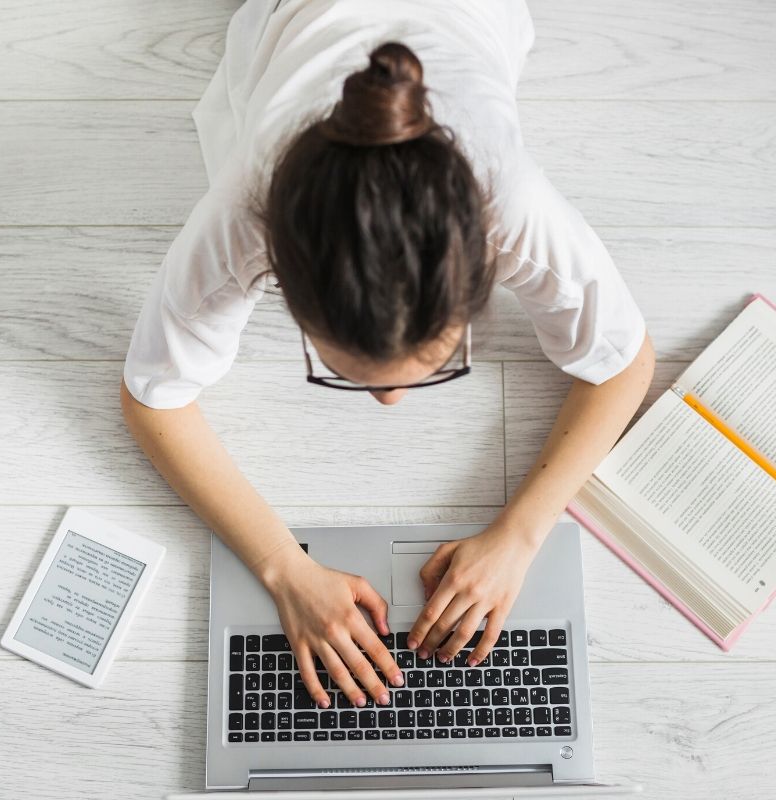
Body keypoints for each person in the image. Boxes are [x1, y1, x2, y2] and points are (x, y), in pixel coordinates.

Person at [120, 0, 655, 713]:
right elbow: (149, 399)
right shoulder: (239, 221)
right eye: (353, 376)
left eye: (430, 367)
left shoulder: (515, 209)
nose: (392, 402)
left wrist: (521, 537)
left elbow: (628, 364)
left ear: (486, 270)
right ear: (274, 268)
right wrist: (282, 568)